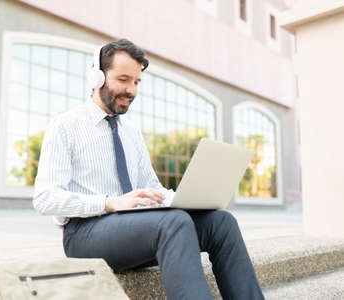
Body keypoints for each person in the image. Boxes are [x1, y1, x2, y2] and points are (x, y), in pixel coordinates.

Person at [33, 39, 264, 300]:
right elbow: (44, 198)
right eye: (123, 80)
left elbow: (151, 188)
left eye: (136, 82)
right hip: (83, 235)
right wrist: (109, 203)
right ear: (97, 77)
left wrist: (183, 200)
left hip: (132, 231)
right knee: (173, 223)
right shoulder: (66, 126)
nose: (131, 90)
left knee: (221, 223)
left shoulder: (131, 131)